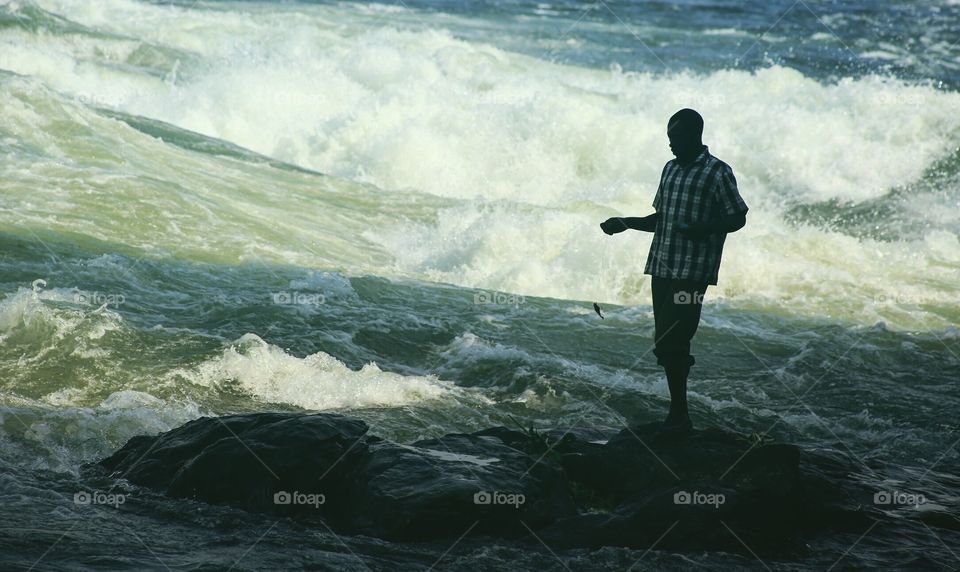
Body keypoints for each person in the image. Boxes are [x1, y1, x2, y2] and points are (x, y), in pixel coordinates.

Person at [600, 108, 748, 434]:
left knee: (672, 341)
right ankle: (678, 415)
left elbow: (738, 217)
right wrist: (624, 223)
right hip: (662, 268)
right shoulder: (669, 170)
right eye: (669, 138)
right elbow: (661, 220)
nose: (671, 145)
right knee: (667, 342)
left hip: (693, 272)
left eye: (677, 138)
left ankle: (680, 417)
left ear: (696, 136)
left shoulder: (717, 172)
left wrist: (704, 228)